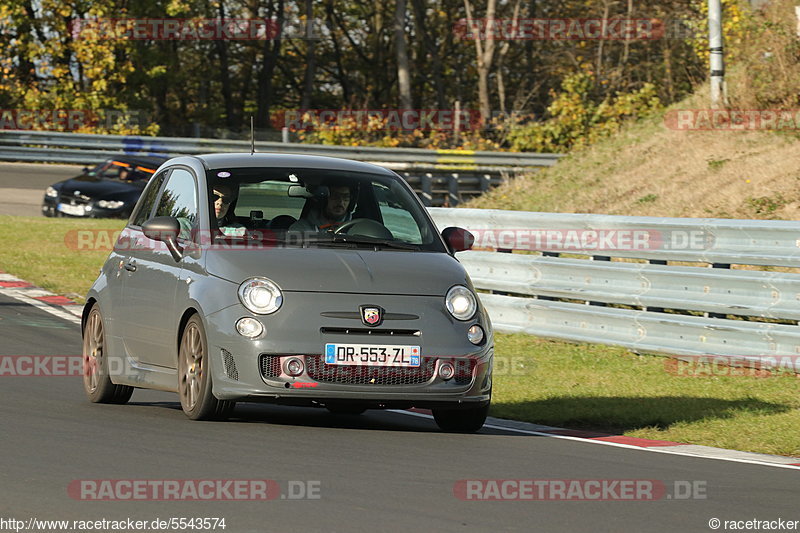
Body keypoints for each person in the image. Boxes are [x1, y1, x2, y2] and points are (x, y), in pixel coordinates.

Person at [289, 183, 354, 233]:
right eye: (335, 196)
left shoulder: (357, 228)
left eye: (346, 197)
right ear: (324, 199)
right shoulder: (301, 228)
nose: (341, 202)